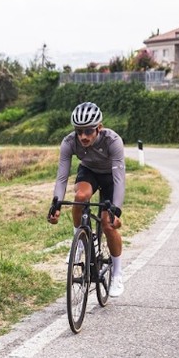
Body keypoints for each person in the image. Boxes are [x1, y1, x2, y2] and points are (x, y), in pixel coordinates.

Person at [47, 102, 126, 297]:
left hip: (110, 177)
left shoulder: (113, 141)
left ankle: (117, 274)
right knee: (80, 197)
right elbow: (62, 177)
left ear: (99, 128)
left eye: (88, 131)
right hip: (89, 171)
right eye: (79, 131)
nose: (83, 136)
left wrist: (116, 211)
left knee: (108, 225)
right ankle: (80, 241)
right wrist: (55, 203)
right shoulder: (68, 142)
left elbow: (119, 179)